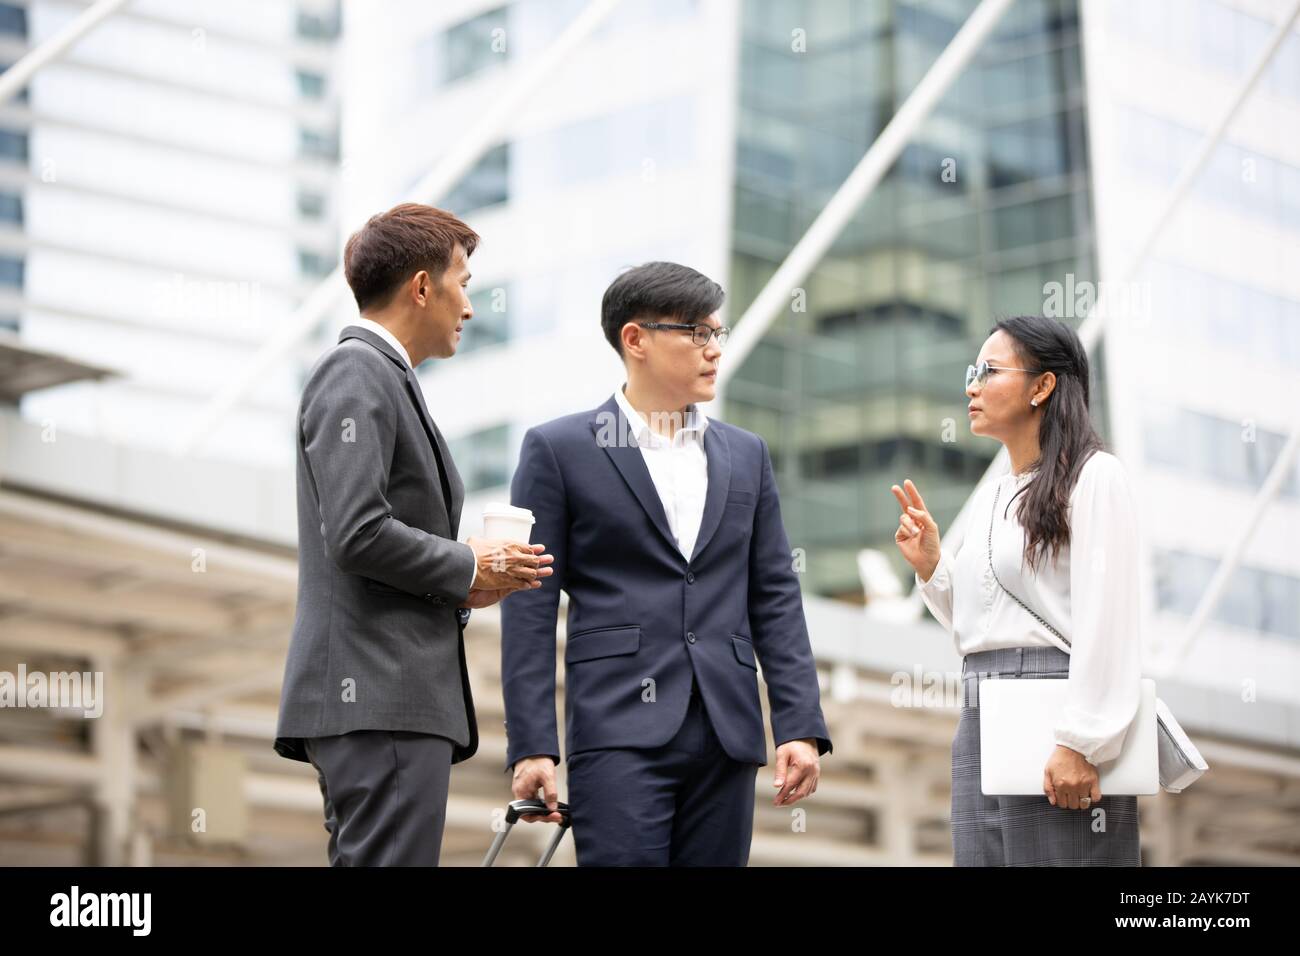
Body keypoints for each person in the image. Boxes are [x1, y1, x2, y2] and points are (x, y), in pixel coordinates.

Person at [501, 261, 831, 866]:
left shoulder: (747, 454)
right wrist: (531, 745)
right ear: (636, 339)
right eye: (697, 333)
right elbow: (529, 601)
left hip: (727, 730)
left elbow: (775, 594)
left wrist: (799, 724)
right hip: (619, 729)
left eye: (717, 334)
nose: (714, 350)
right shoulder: (559, 449)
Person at [274, 202, 553, 866]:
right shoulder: (358, 371)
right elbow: (358, 532)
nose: (470, 306)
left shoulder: (382, 378)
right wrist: (465, 563)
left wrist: (467, 584)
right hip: (379, 695)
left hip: (383, 699)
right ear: (422, 286)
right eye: (462, 283)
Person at [893, 314, 1142, 866]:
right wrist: (934, 566)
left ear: (1042, 385)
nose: (971, 386)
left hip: (1054, 713)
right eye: (971, 371)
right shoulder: (996, 491)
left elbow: (1110, 617)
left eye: (988, 370)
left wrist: (1082, 740)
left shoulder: (1095, 476)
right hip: (980, 710)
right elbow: (982, 625)